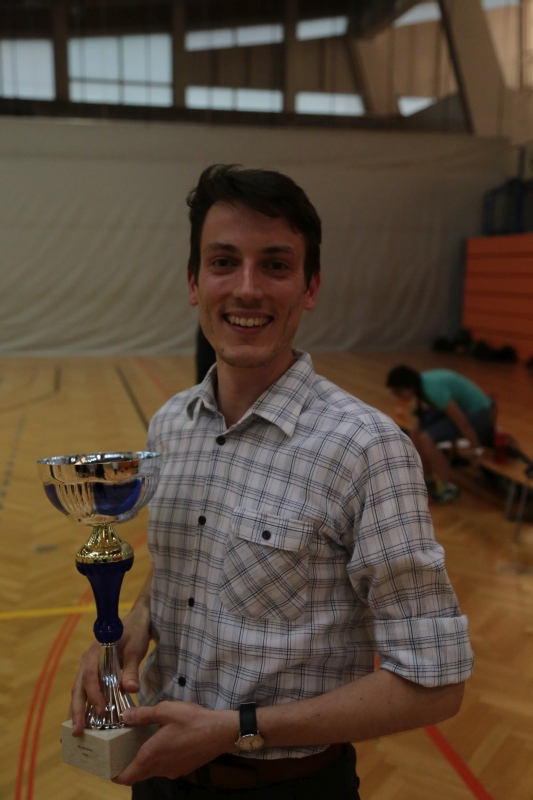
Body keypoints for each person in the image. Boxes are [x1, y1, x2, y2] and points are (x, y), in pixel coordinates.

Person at [71, 165, 474, 799]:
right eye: (223, 262)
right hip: (159, 775)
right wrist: (132, 628)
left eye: (276, 265)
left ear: (311, 287)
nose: (247, 288)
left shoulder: (366, 448)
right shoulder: (171, 424)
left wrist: (240, 729)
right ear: (193, 282)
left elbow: (436, 682)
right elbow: (187, 561)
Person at [386, 365, 495, 503]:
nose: (398, 397)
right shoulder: (422, 385)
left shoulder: (432, 389)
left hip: (479, 412)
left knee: (427, 438)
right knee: (415, 432)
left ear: (410, 387)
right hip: (464, 409)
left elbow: (462, 423)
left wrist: (477, 451)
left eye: (398, 392)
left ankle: (450, 488)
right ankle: (428, 478)